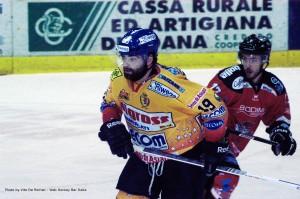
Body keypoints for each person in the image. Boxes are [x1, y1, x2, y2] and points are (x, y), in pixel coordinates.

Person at [98, 28, 230, 199]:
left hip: (183, 158)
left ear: (149, 60)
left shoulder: (173, 87)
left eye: (133, 58)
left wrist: (213, 145)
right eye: (124, 58)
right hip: (144, 155)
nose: (126, 65)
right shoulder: (118, 78)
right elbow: (109, 102)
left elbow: (216, 109)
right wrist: (112, 123)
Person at [205, 34, 297, 198]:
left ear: (264, 60)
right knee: (223, 176)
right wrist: (215, 135)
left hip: (231, 148)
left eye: (254, 59)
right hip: (208, 142)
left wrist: (281, 134)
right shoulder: (228, 79)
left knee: (225, 181)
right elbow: (205, 107)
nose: (248, 64)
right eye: (245, 58)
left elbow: (278, 116)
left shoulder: (274, 88)